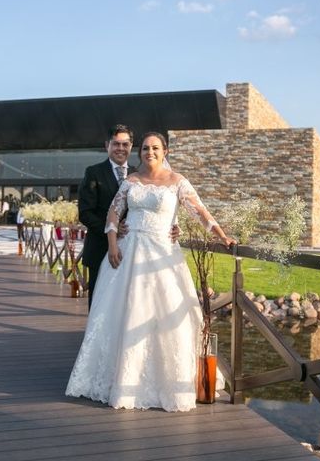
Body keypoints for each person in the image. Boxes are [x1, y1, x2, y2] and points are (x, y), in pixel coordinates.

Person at [66, 132, 235, 412]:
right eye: (145, 148)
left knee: (167, 316)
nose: (149, 152)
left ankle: (170, 384)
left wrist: (222, 236)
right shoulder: (131, 181)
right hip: (127, 252)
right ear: (140, 151)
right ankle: (120, 382)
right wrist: (111, 245)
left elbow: (200, 213)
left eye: (155, 148)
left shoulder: (178, 182)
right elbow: (112, 213)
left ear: (165, 150)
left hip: (162, 255)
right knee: (123, 313)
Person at [78, 124, 136, 310]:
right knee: (98, 302)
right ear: (107, 145)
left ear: (131, 146)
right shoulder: (93, 172)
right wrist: (112, 229)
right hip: (100, 249)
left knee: (126, 303)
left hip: (133, 249)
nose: (120, 148)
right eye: (116, 144)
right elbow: (85, 213)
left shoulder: (138, 174)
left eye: (125, 144)